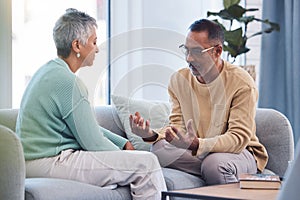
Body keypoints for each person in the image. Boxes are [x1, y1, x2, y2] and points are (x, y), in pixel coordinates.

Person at [16, 8, 166, 200]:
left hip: (32, 162)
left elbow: (87, 127)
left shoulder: (49, 71)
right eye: (94, 42)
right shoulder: (69, 83)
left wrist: (123, 143)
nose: (97, 48)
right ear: (77, 45)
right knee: (146, 164)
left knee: (139, 163)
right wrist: (130, 158)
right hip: (49, 162)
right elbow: (93, 142)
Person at [129, 19, 268, 185]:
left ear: (217, 51)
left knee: (215, 164)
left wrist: (197, 145)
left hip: (239, 152)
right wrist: (151, 134)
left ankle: (215, 170)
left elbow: (238, 139)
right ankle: (212, 171)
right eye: (186, 50)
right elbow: (177, 126)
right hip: (200, 150)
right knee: (159, 150)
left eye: (196, 52)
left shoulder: (241, 83)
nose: (189, 58)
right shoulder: (179, 80)